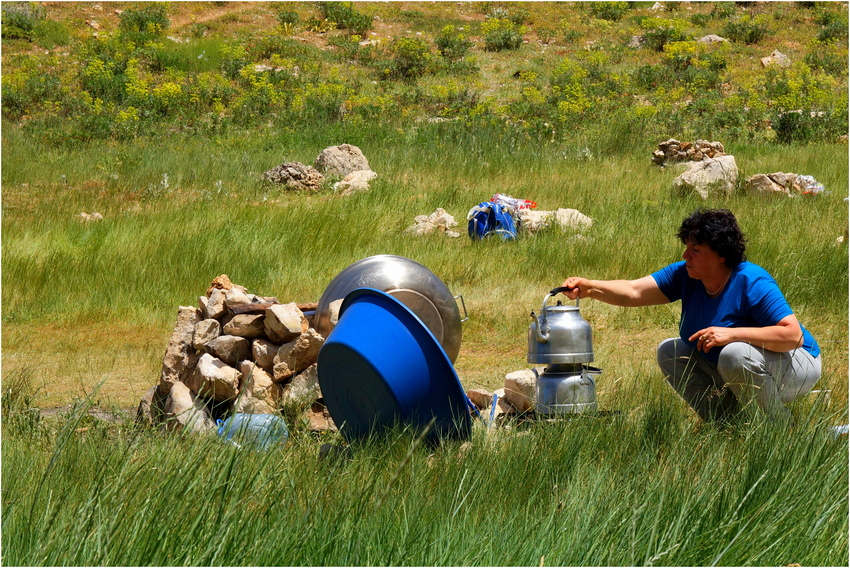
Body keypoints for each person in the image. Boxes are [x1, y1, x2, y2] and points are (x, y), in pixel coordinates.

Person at [560, 208, 821, 424]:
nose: (686, 255)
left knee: (734, 353)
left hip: (795, 366)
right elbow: (634, 291)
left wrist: (732, 334)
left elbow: (792, 335)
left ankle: (781, 429)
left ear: (721, 254)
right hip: (741, 363)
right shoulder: (685, 274)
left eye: (695, 249)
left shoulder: (751, 281)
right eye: (686, 247)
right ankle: (727, 426)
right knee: (671, 350)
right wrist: (590, 288)